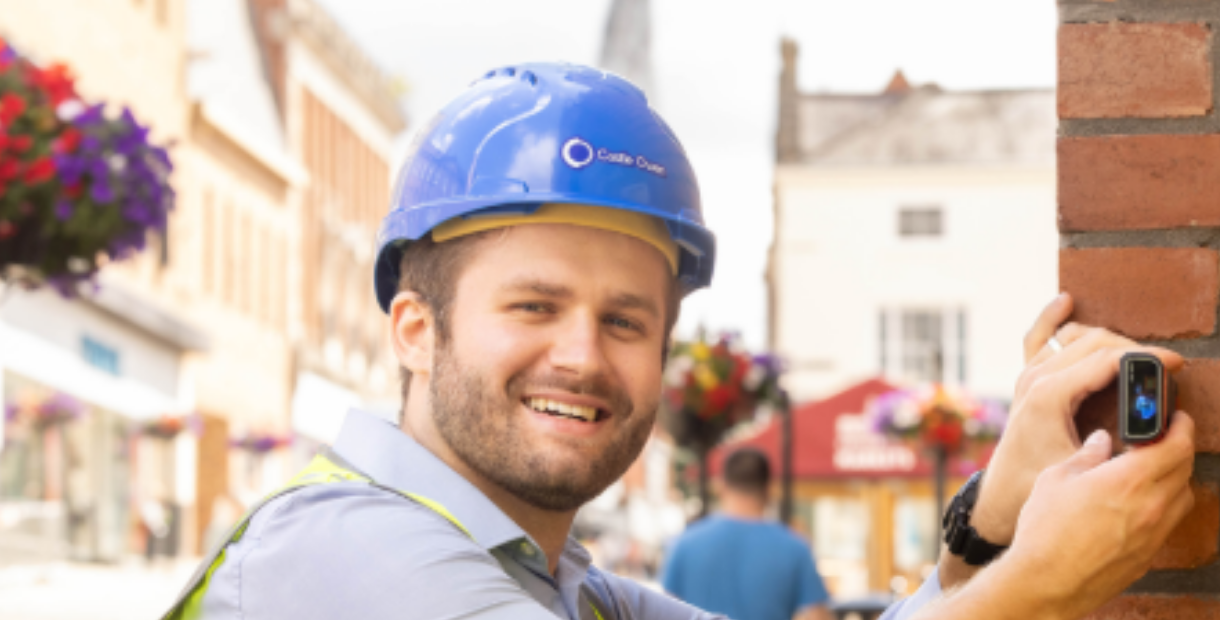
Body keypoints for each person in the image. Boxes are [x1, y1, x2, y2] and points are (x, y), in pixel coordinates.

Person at [160, 62, 1196, 620]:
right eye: (532, 305)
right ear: (414, 328)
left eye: (625, 320)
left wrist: (993, 512)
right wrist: (1041, 589)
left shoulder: (570, 587)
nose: (581, 352)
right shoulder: (347, 552)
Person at [662, 448, 831, 620]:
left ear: (721, 486)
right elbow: (817, 616)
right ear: (768, 490)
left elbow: (664, 612)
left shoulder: (684, 544)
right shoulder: (796, 549)